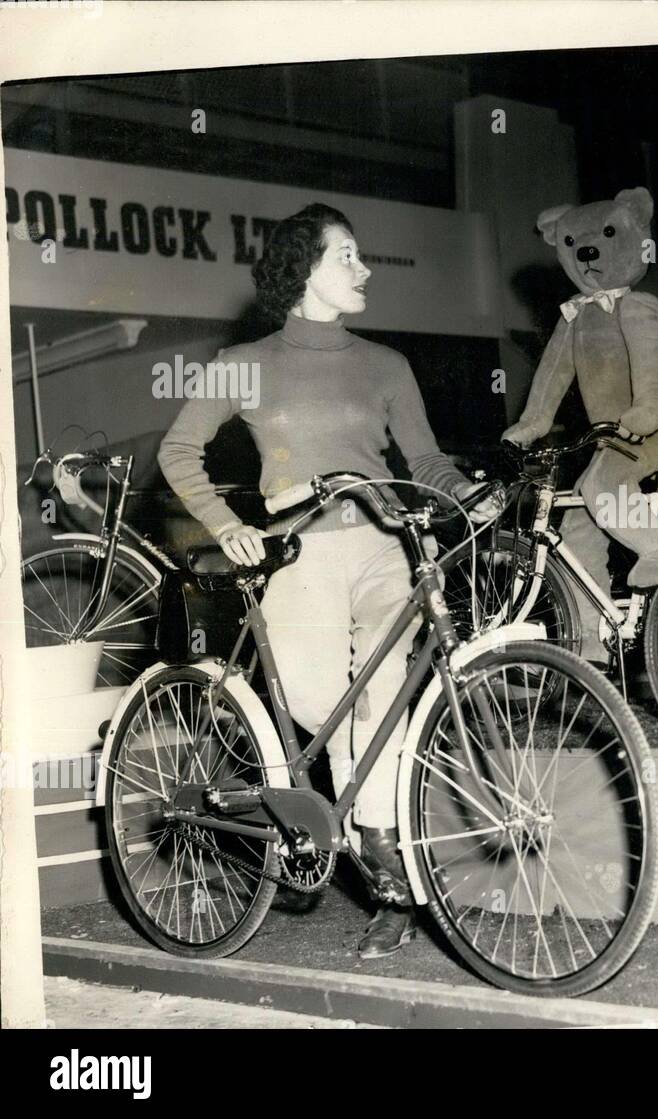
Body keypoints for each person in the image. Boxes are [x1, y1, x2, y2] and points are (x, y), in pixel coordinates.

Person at [158, 203, 499, 958]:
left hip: (384, 544)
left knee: (384, 700)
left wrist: (468, 492)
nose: (364, 267)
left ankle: (386, 875)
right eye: (347, 255)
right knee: (320, 701)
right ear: (304, 268)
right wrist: (227, 526)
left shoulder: (387, 364)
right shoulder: (245, 363)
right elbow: (180, 452)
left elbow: (426, 461)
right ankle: (347, 827)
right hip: (297, 553)